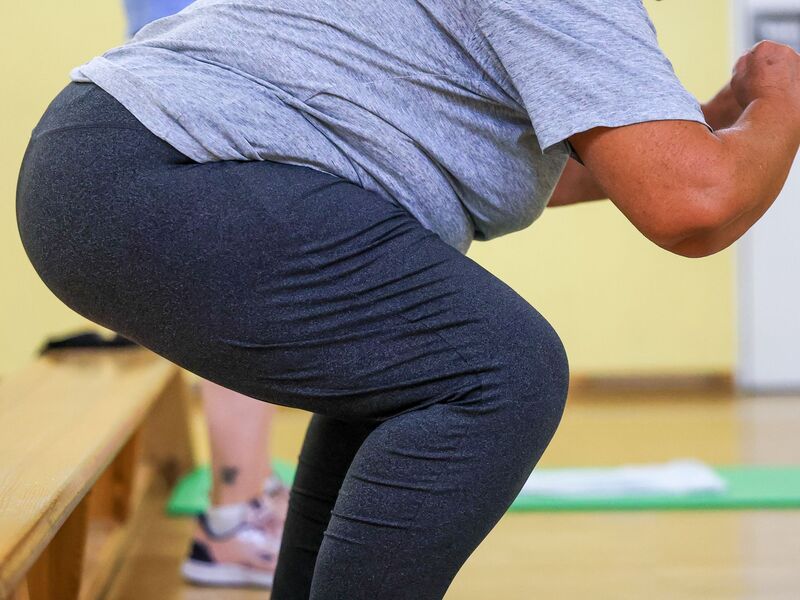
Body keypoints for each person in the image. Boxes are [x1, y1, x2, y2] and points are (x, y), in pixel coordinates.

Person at [16, 0, 799, 598]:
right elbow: (693, 205)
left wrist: (707, 128)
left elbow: (593, 165)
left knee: (417, 377)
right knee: (500, 371)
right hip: (164, 162)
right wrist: (783, 100)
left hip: (116, 159)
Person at [117, 0, 289, 588]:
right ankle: (233, 520)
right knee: (240, 287)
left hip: (198, 67)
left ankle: (243, 502)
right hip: (202, 75)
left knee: (249, 287)